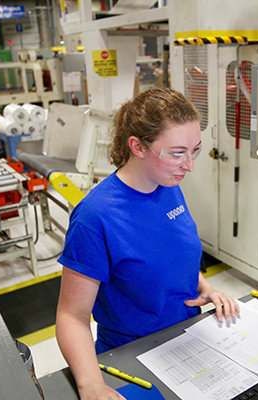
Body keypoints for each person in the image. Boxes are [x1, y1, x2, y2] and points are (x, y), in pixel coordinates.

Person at [56, 88, 240, 400]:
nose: (189, 165)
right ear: (138, 147)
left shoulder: (167, 184)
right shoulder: (95, 217)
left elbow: (170, 254)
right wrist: (91, 385)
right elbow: (72, 317)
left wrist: (205, 288)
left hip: (187, 338)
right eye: (177, 153)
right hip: (133, 354)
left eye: (194, 150)